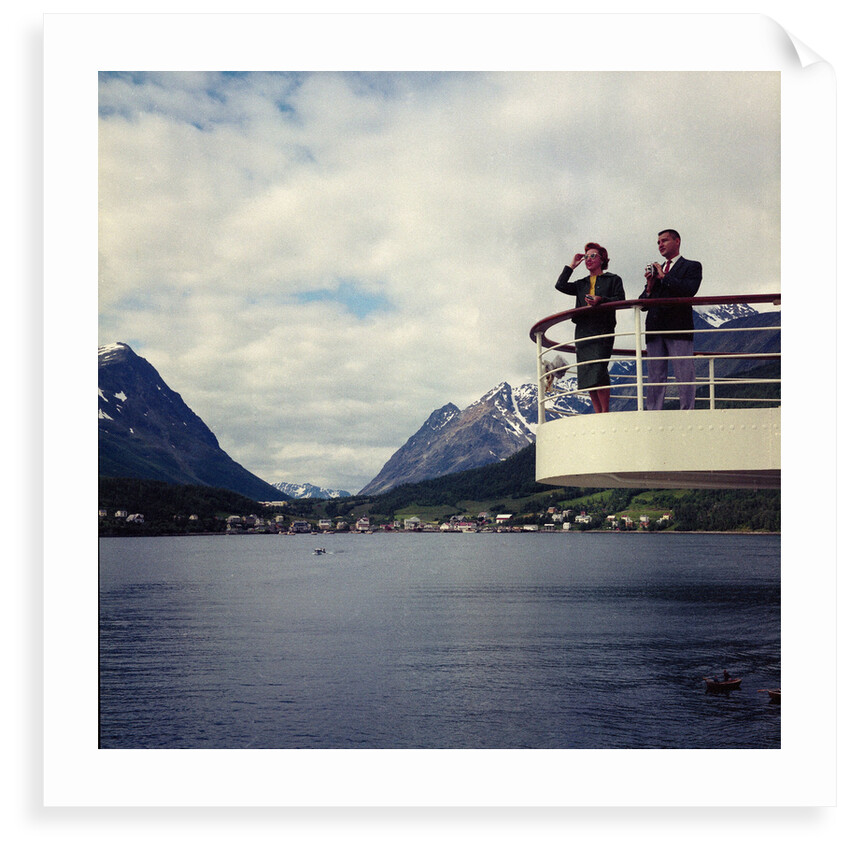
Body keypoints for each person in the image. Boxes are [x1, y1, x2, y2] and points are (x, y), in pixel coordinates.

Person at [555, 243, 626, 413]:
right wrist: (572, 266)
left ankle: (605, 411)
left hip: (602, 329)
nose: (588, 259)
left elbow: (621, 299)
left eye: (593, 256)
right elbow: (560, 285)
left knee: (599, 368)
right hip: (583, 330)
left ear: (602, 259)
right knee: (587, 370)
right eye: (586, 257)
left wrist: (601, 300)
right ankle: (597, 411)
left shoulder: (613, 279)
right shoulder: (581, 284)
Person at [639, 229, 703, 410]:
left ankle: (687, 411)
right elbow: (643, 304)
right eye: (658, 242)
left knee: (684, 371)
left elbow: (689, 290)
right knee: (655, 375)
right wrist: (650, 286)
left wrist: (664, 277)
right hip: (654, 329)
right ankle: (654, 412)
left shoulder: (692, 266)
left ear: (677, 241)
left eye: (664, 240)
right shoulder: (656, 270)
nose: (660, 245)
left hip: (678, 327)